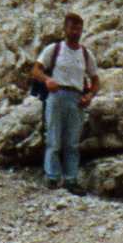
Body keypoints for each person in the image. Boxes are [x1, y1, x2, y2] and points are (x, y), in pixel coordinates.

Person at [30, 13, 100, 195]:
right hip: (56, 94)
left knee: (72, 142)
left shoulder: (86, 54)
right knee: (53, 138)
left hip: (77, 98)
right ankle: (52, 177)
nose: (76, 32)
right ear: (65, 29)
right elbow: (36, 70)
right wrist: (47, 80)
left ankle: (71, 179)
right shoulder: (54, 49)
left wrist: (90, 95)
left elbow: (95, 79)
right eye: (72, 28)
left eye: (79, 29)